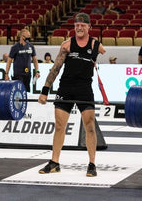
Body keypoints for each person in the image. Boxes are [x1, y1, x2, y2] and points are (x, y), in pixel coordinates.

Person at [38, 13, 106, 177]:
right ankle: (54, 163)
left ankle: (91, 164)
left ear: (89, 27)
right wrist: (45, 90)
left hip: (84, 89)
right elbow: (55, 68)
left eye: (83, 25)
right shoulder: (66, 45)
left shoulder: (97, 45)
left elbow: (102, 53)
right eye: (77, 25)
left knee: (89, 127)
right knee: (59, 126)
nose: (80, 27)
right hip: (65, 88)